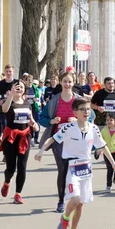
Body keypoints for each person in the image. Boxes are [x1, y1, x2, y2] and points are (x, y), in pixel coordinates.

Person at [35, 97, 115, 229]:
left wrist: (114, 164)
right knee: (74, 199)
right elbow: (52, 139)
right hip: (71, 168)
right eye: (82, 109)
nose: (86, 112)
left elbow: (102, 146)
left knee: (80, 205)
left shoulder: (93, 128)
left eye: (88, 109)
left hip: (86, 169)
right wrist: (41, 151)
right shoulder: (68, 128)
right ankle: (65, 218)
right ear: (75, 112)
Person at [38, 72, 81, 212]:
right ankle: (61, 201)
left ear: (73, 83)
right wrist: (51, 121)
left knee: (73, 170)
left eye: (70, 82)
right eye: (65, 81)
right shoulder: (54, 101)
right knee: (62, 170)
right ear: (61, 83)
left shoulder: (79, 101)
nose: (67, 84)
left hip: (76, 140)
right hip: (59, 140)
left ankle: (75, 198)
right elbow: (41, 117)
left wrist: (78, 120)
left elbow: (90, 117)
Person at [0, 80, 39, 204]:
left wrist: (34, 124)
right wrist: (10, 95)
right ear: (11, 89)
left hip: (24, 137)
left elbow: (30, 119)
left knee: (22, 166)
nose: (19, 89)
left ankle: (18, 194)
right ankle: (7, 182)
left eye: (21, 87)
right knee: (11, 168)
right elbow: (4, 110)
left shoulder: (27, 103)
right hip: (11, 137)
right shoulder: (9, 102)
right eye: (16, 87)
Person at [0, 64, 18, 140]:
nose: (8, 73)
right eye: (7, 71)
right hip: (3, 107)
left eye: (10, 71)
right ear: (4, 72)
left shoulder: (17, 82)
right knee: (4, 123)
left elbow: (22, 95)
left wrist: (12, 95)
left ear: (13, 72)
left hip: (14, 106)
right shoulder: (0, 83)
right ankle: (6, 138)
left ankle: (13, 137)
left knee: (13, 123)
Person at [24, 74, 42, 146]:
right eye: (28, 80)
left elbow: (39, 98)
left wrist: (35, 99)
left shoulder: (36, 89)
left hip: (35, 107)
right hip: (27, 107)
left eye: (31, 80)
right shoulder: (24, 88)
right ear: (26, 81)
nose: (30, 82)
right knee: (28, 123)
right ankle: (30, 138)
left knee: (36, 122)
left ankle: (36, 138)